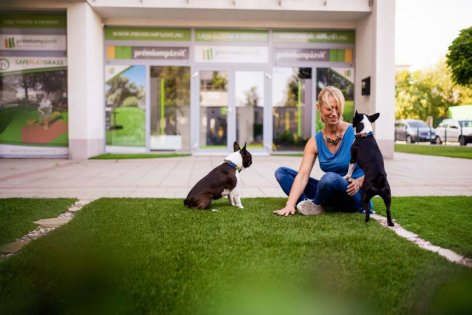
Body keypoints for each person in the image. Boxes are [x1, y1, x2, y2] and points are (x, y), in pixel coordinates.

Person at [273, 86, 372, 216]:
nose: (334, 113)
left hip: (355, 194)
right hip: (330, 192)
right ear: (319, 108)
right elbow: (303, 175)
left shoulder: (357, 133)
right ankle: (308, 205)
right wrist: (289, 205)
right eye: (329, 108)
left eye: (337, 108)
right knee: (282, 173)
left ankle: (316, 204)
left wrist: (358, 182)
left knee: (328, 178)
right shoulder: (314, 142)